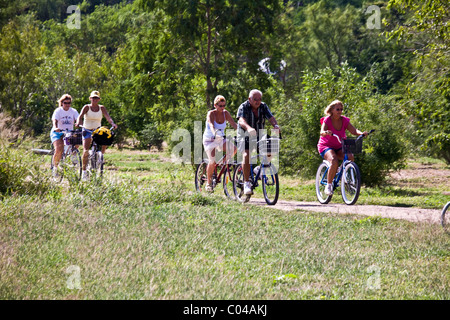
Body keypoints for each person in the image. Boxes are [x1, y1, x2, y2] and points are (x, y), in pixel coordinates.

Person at [317, 100, 368, 195]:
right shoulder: (327, 120)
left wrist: (362, 134)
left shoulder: (344, 120)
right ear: (332, 110)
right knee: (334, 160)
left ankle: (341, 172)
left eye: (341, 109)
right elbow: (322, 131)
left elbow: (353, 130)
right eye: (337, 109)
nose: (340, 111)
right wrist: (326, 133)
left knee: (350, 156)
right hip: (326, 145)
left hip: (340, 145)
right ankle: (328, 185)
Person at [236, 89, 281, 195]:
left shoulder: (263, 106)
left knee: (272, 148)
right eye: (255, 99)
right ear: (249, 99)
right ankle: (246, 183)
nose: (258, 101)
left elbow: (271, 118)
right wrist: (248, 128)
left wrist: (275, 125)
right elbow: (241, 120)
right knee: (246, 154)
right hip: (244, 134)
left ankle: (258, 170)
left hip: (260, 134)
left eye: (259, 99)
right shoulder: (243, 106)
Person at [75, 90, 118, 181]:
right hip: (87, 130)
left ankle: (100, 157)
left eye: (96, 98)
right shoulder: (87, 107)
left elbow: (108, 117)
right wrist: (78, 122)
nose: (95, 99)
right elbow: (80, 116)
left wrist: (112, 123)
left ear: (99, 99)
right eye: (93, 98)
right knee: (86, 151)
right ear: (90, 98)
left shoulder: (102, 108)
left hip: (97, 131)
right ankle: (84, 172)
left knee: (106, 139)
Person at [202, 95, 238, 192]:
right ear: (215, 105)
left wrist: (244, 131)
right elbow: (211, 125)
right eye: (220, 106)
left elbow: (234, 124)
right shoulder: (211, 113)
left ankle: (221, 164)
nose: (222, 108)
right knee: (212, 160)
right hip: (209, 139)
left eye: (224, 105)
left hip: (220, 139)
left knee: (234, 149)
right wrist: (215, 134)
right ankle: (208, 184)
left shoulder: (225, 113)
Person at [50, 94, 79, 177]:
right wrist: (55, 127)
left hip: (69, 132)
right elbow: (54, 120)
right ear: (62, 103)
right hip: (58, 132)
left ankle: (73, 157)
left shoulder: (73, 111)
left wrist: (78, 123)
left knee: (77, 142)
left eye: (69, 103)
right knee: (59, 149)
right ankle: (55, 168)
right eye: (65, 103)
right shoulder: (58, 111)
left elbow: (77, 119)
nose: (67, 105)